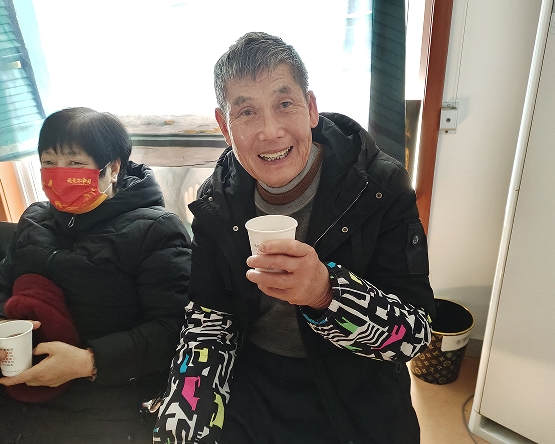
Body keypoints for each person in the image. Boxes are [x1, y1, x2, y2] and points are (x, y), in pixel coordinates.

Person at [154, 32, 435, 444]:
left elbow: (414, 336)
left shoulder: (378, 186)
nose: (270, 131)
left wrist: (326, 292)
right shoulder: (217, 201)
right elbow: (209, 320)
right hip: (255, 378)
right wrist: (184, 416)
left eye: (284, 104)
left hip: (357, 382)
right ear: (225, 127)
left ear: (311, 108)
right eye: (246, 112)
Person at [0, 107, 192, 443]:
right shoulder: (34, 220)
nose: (59, 173)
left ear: (113, 168)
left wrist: (87, 362)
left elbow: (173, 329)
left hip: (103, 396)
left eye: (75, 163)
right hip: (14, 385)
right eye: (48, 161)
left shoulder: (156, 230)